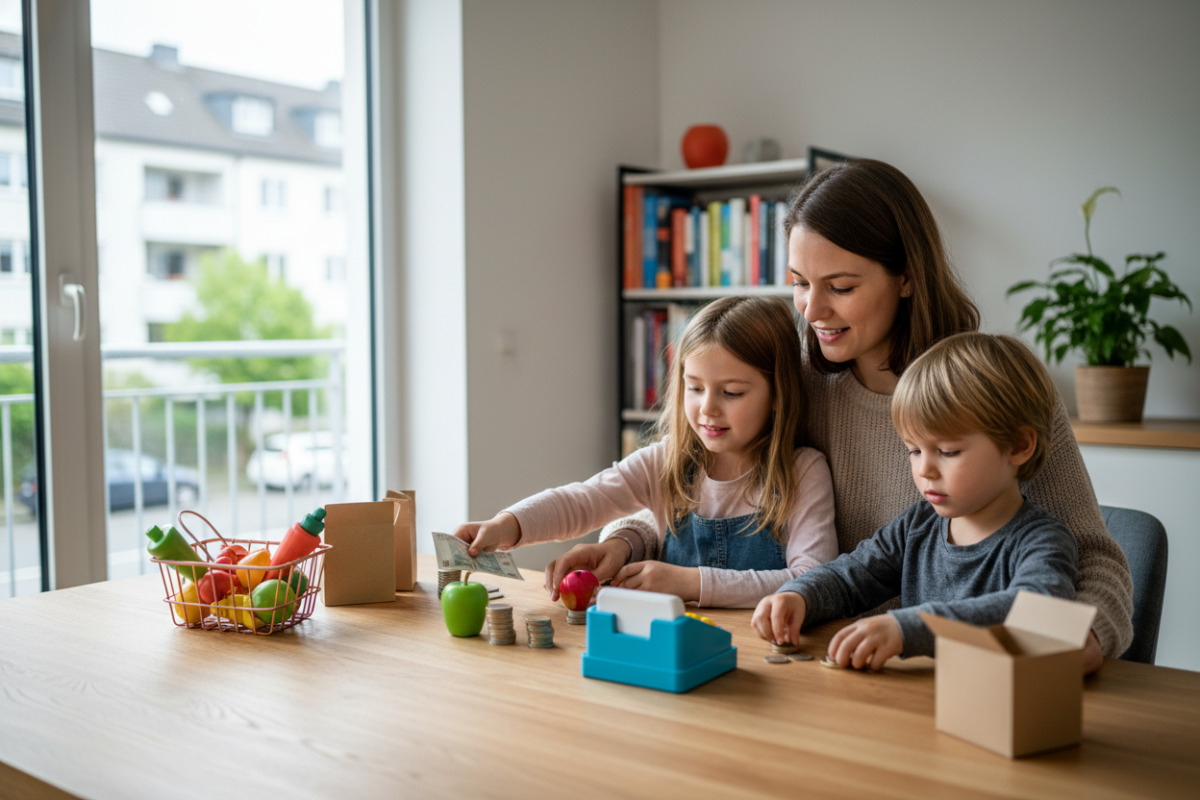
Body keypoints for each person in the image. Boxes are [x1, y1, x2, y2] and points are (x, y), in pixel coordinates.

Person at [574, 159, 1132, 671]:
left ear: (907, 276)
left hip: (970, 667)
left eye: (840, 287)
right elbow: (705, 482)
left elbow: (1091, 557)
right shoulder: (799, 387)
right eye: (799, 284)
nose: (812, 311)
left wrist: (1089, 636)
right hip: (836, 663)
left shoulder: (994, 391)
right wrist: (628, 542)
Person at [453, 295, 837, 608]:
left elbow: (813, 580)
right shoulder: (667, 460)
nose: (707, 408)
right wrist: (508, 525)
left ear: (777, 395)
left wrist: (689, 582)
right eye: (695, 387)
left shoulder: (803, 471)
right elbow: (585, 498)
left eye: (732, 392)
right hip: (667, 651)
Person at [751, 332, 1078, 670]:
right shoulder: (918, 525)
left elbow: (1039, 613)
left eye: (948, 451)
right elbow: (853, 574)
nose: (925, 470)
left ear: (1019, 446)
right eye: (914, 450)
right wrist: (799, 595)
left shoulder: (1042, 540)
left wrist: (909, 628)